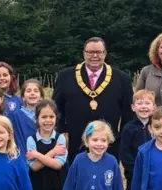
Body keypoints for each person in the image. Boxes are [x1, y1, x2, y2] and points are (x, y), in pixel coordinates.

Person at [53, 36, 133, 164]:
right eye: (90, 52)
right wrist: (62, 132)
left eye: (99, 52)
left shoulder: (122, 79)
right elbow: (56, 109)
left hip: (107, 145)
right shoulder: (65, 76)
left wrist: (120, 139)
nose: (94, 56)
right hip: (75, 143)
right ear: (83, 53)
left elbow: (128, 114)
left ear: (105, 53)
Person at [8, 78, 44, 190]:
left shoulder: (45, 115)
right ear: (22, 96)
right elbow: (14, 140)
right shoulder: (16, 116)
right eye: (28, 91)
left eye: (35, 91)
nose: (32, 94)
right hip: (23, 164)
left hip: (42, 163)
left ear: (41, 95)